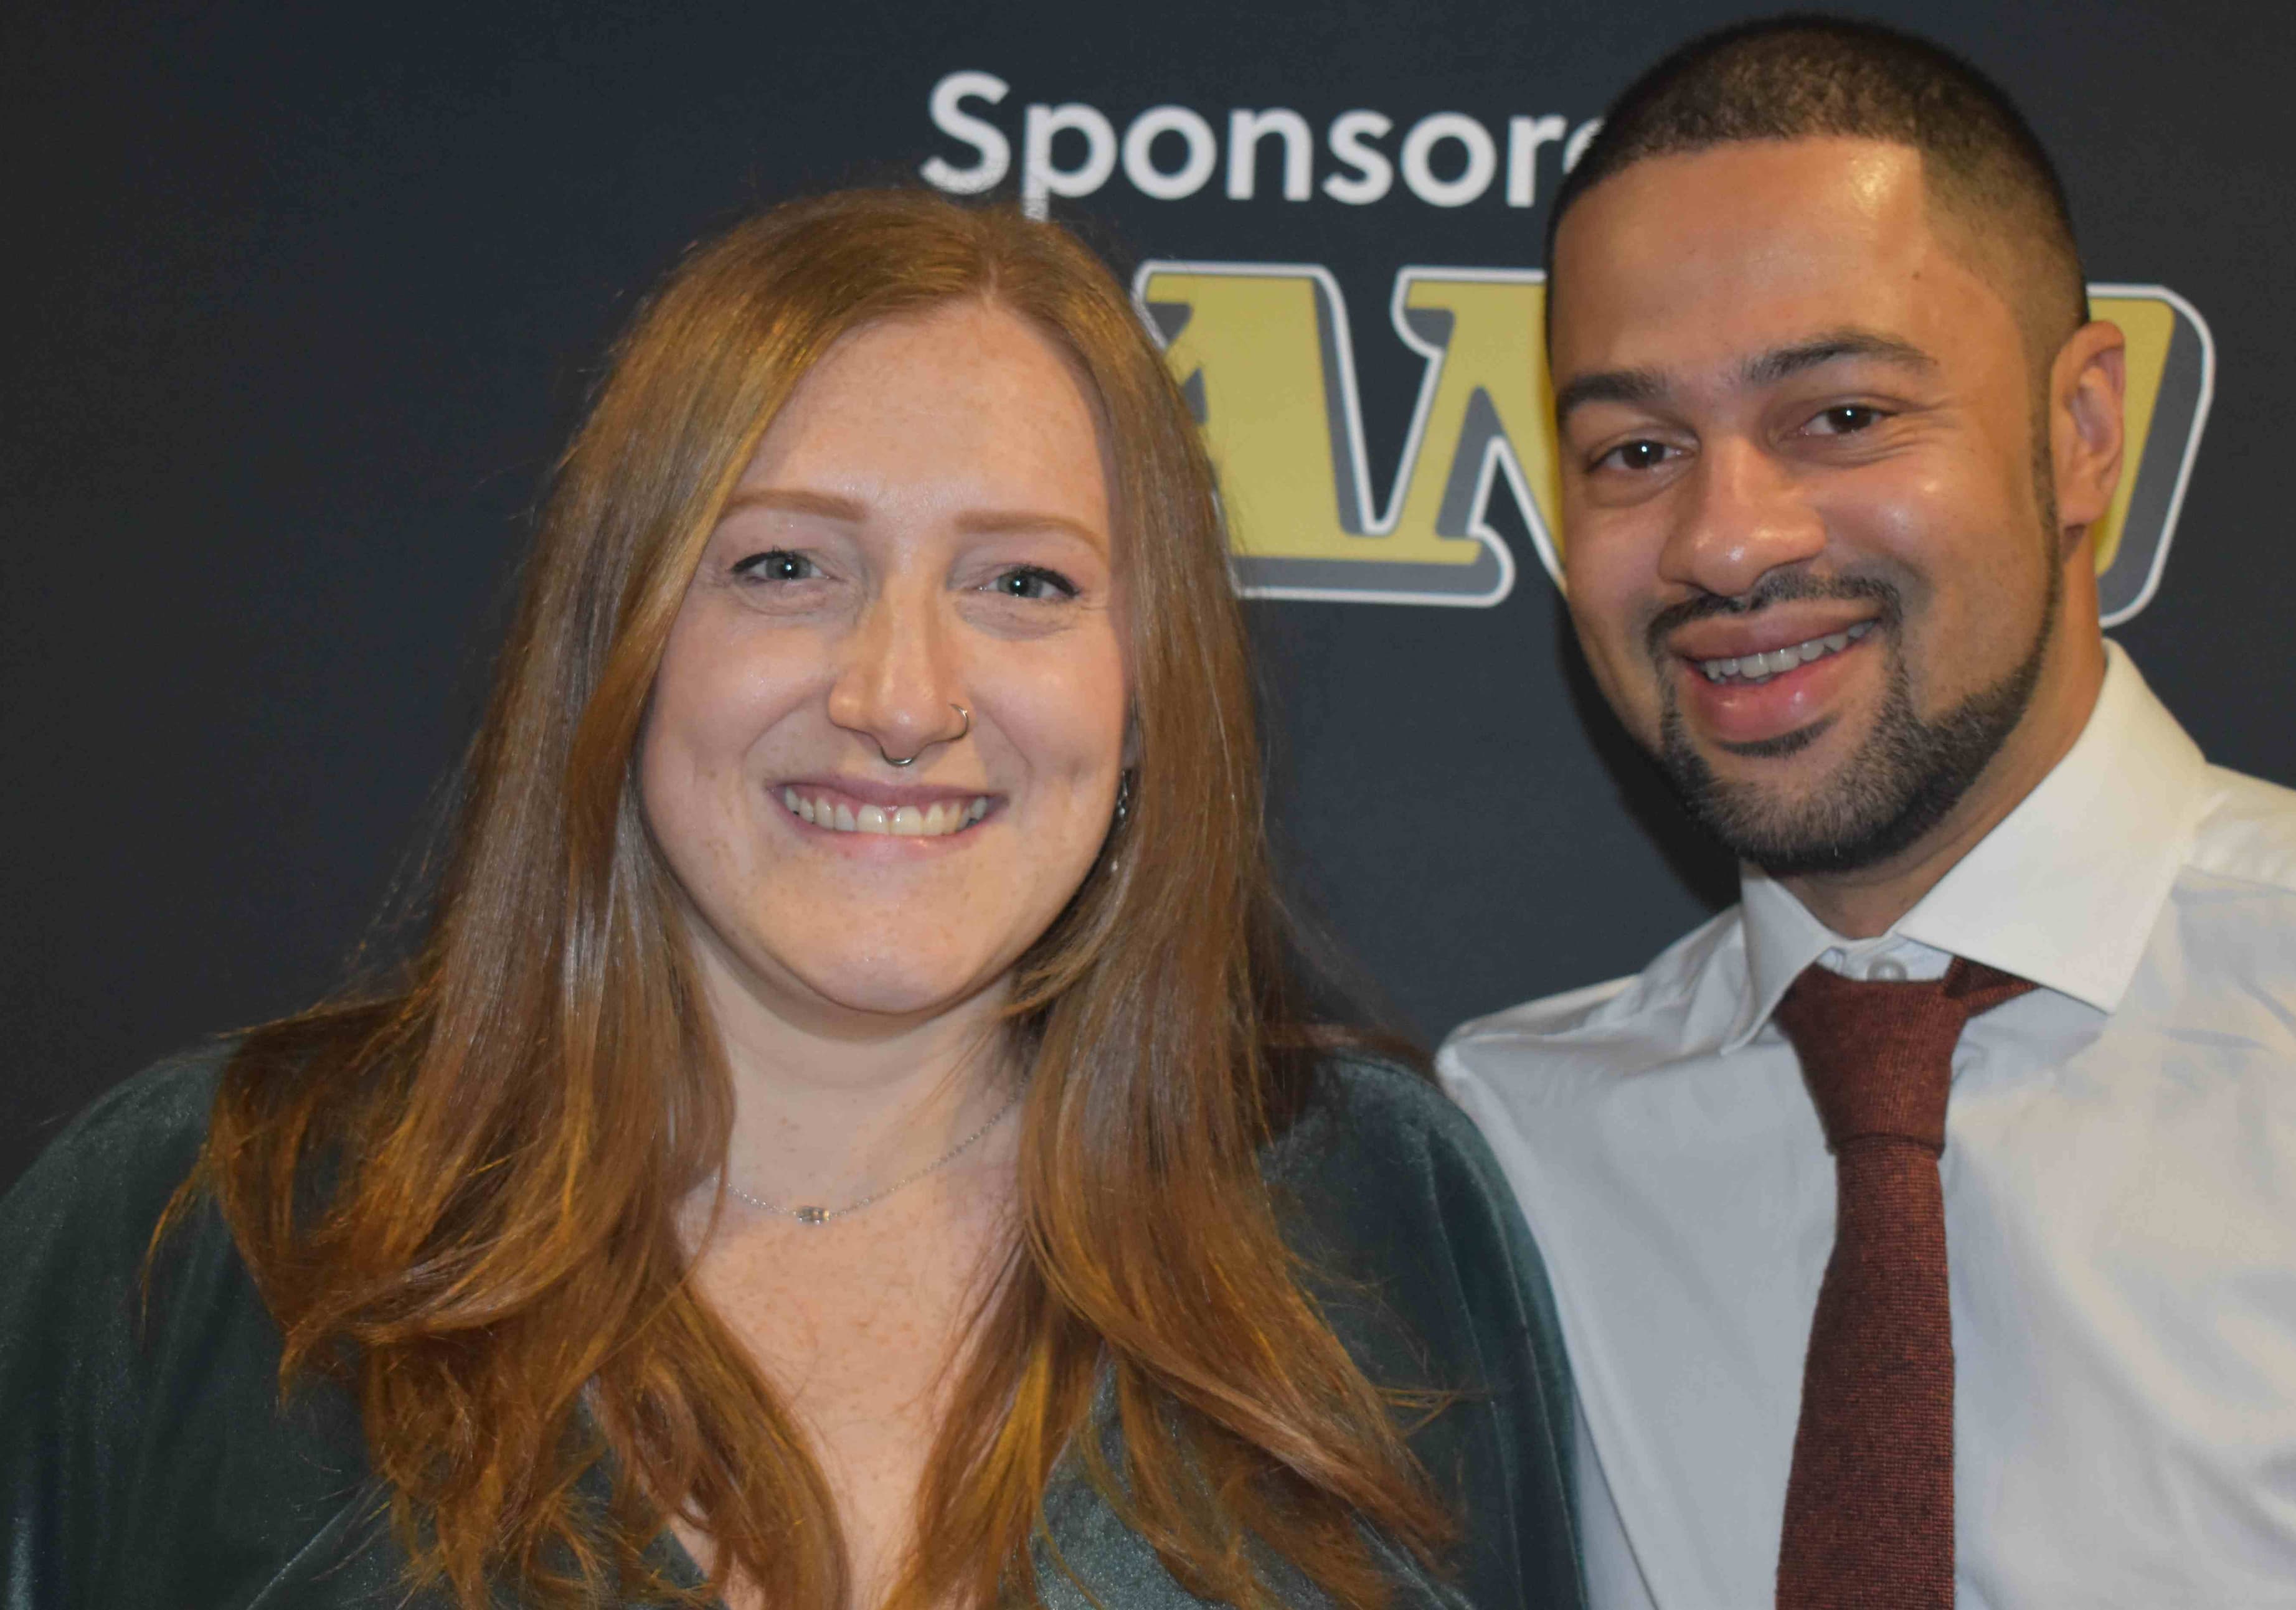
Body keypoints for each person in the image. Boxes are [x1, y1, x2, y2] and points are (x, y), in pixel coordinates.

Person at [0, 191, 1583, 1610]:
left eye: (1022, 582)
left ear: (1150, 684)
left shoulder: (1368, 1214)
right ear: (618, 639)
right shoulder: (200, 1226)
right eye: (785, 567)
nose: (901, 696)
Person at [1442, 17, 2296, 1610]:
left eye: (1843, 416)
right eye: (1637, 449)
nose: (1725, 543)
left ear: (2083, 430)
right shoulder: (1501, 1157)